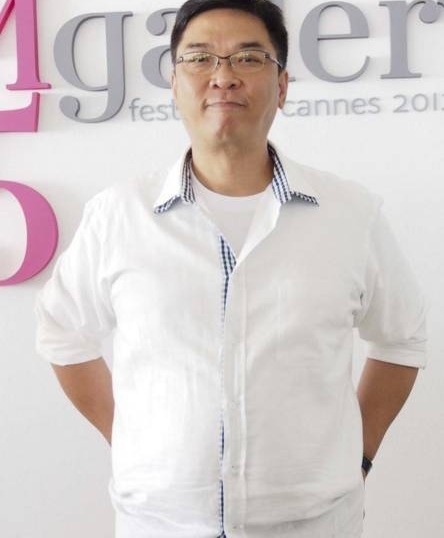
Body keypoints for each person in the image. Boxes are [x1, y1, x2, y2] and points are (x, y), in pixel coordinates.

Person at [35, 0, 427, 537]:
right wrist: (130, 439)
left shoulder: (351, 214)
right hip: (161, 525)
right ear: (174, 84)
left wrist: (359, 455)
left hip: (314, 524)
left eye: (248, 58)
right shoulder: (119, 215)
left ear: (282, 86)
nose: (223, 77)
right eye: (200, 58)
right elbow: (62, 332)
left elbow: (402, 339)